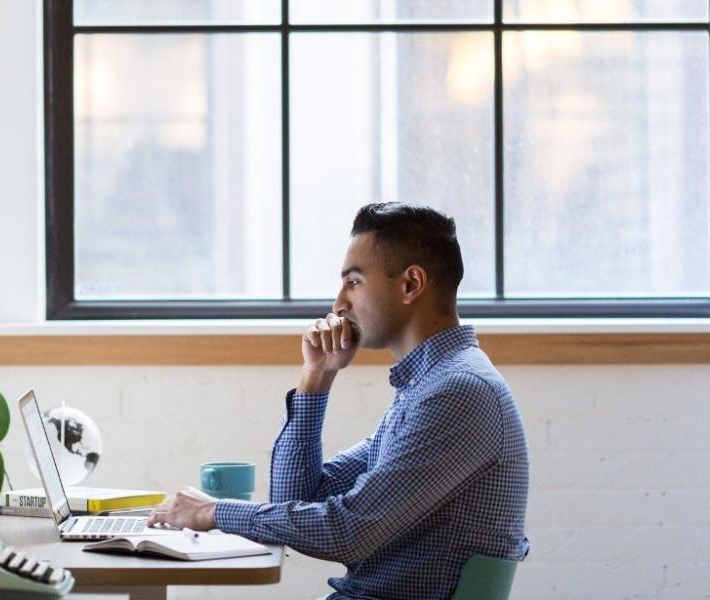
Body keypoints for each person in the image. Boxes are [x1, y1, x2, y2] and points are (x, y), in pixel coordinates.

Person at [149, 202, 530, 599]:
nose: (338, 304)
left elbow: (348, 532)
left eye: (354, 282)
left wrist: (213, 512)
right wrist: (317, 377)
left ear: (411, 284)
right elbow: (296, 500)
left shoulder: (457, 393)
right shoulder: (426, 387)